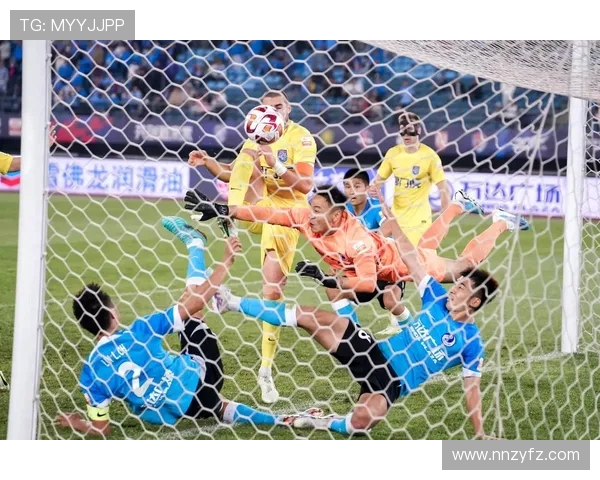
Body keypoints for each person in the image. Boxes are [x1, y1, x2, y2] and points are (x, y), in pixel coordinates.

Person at [209, 197, 507, 439]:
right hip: (373, 353)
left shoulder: (471, 342)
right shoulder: (435, 297)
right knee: (310, 316)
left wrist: (480, 433)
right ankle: (230, 301)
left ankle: (318, 420)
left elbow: (472, 388)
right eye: (457, 284)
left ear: (475, 301)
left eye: (461, 288)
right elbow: (412, 259)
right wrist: (393, 224)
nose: (454, 288)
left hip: (391, 383)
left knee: (360, 424)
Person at [55, 216, 305, 436]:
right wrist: (225, 263)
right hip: (204, 376)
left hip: (184, 409)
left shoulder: (91, 371)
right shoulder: (140, 331)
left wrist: (76, 422)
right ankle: (195, 243)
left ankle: (278, 420)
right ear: (112, 313)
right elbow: (194, 303)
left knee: (214, 404)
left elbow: (101, 429)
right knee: (191, 307)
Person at [184, 184, 527, 334]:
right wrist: (222, 208)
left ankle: (499, 222)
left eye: (318, 210)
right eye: (311, 208)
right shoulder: (307, 218)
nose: (310, 215)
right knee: (427, 244)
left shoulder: (356, 240)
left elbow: (366, 283)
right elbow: (267, 212)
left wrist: (326, 278)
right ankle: (458, 204)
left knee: (463, 267)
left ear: (336, 215)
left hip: (401, 267)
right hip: (386, 261)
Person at [188, 91, 317, 403]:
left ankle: (265, 370)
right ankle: (229, 215)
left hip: (286, 214)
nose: (272, 112)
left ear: (288, 109)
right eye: (266, 108)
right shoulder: (256, 137)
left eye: (278, 107)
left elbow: (304, 186)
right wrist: (207, 163)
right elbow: (233, 173)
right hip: (256, 207)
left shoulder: (302, 138)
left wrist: (275, 162)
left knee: (271, 292)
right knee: (250, 154)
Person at [369, 111, 451, 246]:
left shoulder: (430, 156)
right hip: (395, 219)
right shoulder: (393, 153)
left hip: (418, 222)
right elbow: (377, 181)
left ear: (418, 130)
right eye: (402, 131)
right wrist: (373, 187)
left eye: (410, 130)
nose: (406, 135)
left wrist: (444, 220)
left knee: (414, 257)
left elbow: (444, 190)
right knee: (378, 250)